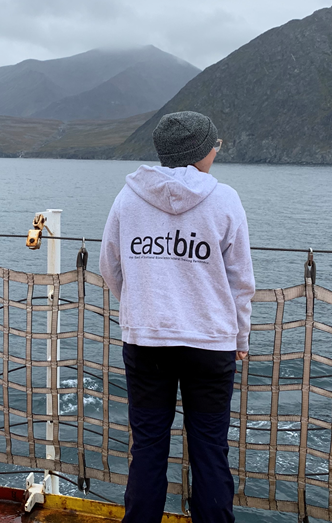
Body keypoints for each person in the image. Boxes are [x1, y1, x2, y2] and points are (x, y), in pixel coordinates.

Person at [99, 111, 255, 523]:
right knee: (209, 449)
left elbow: (110, 266)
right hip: (210, 344)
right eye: (215, 145)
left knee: (148, 447)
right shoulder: (224, 200)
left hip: (146, 341)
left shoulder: (128, 198)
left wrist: (140, 310)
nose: (217, 152)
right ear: (202, 151)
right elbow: (241, 280)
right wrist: (240, 338)